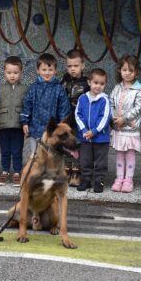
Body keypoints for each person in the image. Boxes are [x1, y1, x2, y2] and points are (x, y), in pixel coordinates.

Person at [20, 52, 71, 156]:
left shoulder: (59, 89)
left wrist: (62, 125)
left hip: (52, 130)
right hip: (35, 128)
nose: (47, 73)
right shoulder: (34, 88)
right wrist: (25, 122)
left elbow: (64, 109)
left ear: (55, 70)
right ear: (38, 70)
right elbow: (27, 105)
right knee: (35, 154)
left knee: (51, 155)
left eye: (50, 70)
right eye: (44, 70)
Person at [108, 54, 141, 193]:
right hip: (118, 127)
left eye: (131, 70)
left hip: (131, 128)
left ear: (136, 72)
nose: (127, 73)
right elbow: (111, 102)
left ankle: (128, 180)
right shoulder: (117, 87)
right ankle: (119, 179)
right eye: (124, 70)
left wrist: (124, 118)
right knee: (119, 154)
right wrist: (114, 117)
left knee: (129, 154)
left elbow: (138, 108)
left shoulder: (139, 89)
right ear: (119, 70)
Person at [0, 56, 28, 186]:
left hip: (18, 126)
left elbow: (27, 107)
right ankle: (5, 171)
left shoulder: (25, 89)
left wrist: (26, 124)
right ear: (4, 72)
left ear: (21, 72)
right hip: (3, 126)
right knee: (5, 150)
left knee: (17, 150)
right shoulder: (0, 88)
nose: (12, 75)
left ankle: (17, 172)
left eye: (15, 72)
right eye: (9, 72)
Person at [74, 68, 111, 193]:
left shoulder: (104, 100)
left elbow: (105, 117)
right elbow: (78, 115)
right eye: (96, 82)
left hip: (101, 138)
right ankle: (86, 180)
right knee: (85, 160)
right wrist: (84, 130)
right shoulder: (82, 98)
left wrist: (94, 131)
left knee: (101, 162)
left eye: (102, 84)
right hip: (85, 137)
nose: (98, 86)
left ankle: (99, 181)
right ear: (89, 82)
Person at [60, 49, 90, 187]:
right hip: (66, 121)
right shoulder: (64, 81)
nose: (72, 69)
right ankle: (67, 171)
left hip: (80, 122)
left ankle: (77, 174)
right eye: (69, 66)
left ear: (82, 66)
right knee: (66, 146)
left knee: (77, 147)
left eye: (76, 66)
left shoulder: (87, 84)